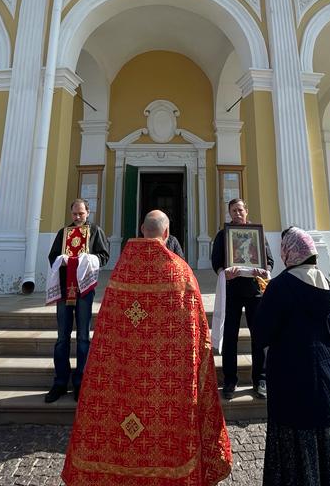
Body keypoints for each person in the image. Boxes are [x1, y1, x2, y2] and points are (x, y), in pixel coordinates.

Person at [62, 210, 232, 485]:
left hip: (124, 377)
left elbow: (106, 328)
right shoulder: (180, 272)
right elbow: (196, 329)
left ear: (142, 230)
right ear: (166, 234)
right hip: (165, 381)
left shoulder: (121, 272)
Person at [255, 226, 330, 486]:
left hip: (290, 374)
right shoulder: (326, 284)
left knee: (293, 431)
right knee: (323, 430)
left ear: (289, 252)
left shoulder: (280, 286)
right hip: (321, 372)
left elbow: (263, 332)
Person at [44, 198, 110, 403]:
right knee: (62, 338)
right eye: (74, 214)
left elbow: (104, 256)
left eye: (81, 213)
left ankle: (81, 382)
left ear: (88, 212)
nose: (78, 217)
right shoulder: (63, 233)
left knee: (83, 337)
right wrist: (62, 260)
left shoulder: (95, 231)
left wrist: (88, 259)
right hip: (65, 290)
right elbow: (53, 255)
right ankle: (60, 382)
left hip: (84, 290)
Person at [210, 197, 273, 400]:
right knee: (230, 337)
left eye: (239, 210)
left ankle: (260, 379)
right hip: (232, 291)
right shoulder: (223, 235)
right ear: (229, 213)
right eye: (233, 211)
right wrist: (223, 272)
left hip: (255, 291)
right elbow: (217, 261)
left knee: (259, 336)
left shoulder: (258, 234)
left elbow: (269, 260)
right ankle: (230, 380)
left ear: (246, 210)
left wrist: (265, 270)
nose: (237, 214)